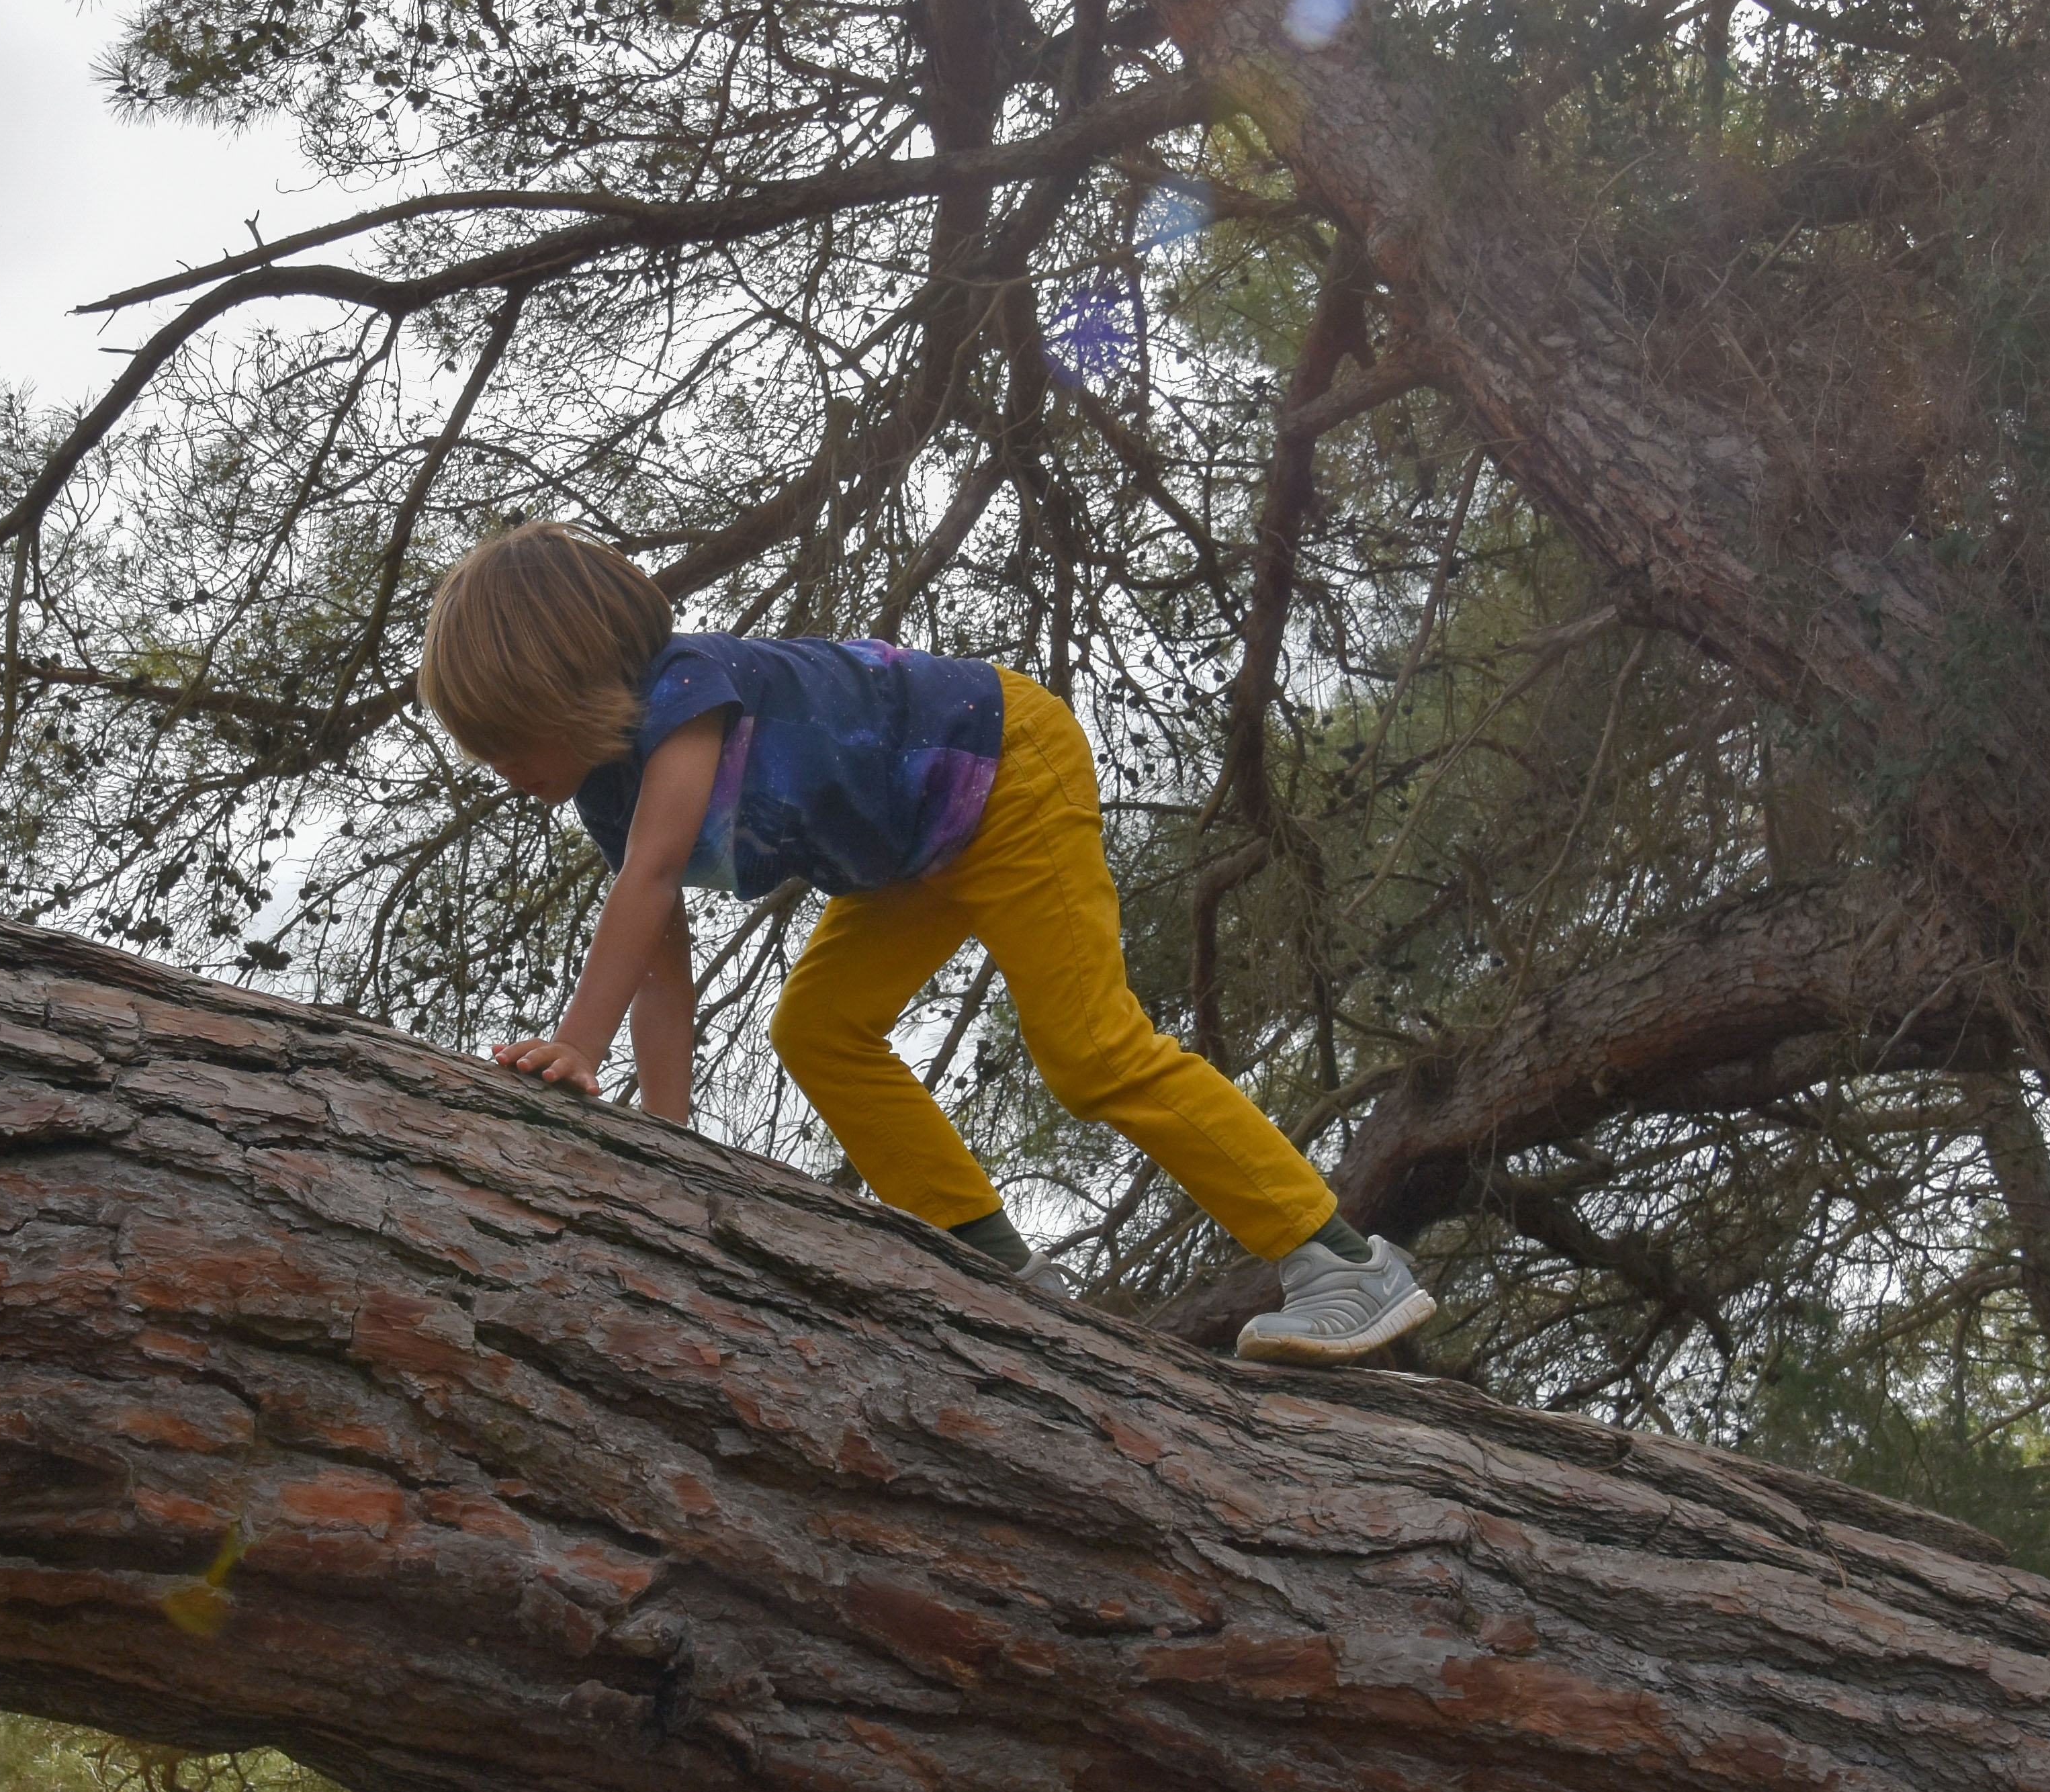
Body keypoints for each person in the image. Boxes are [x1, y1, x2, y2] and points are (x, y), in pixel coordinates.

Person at [414, 521, 1442, 1362]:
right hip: (915, 851)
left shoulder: (686, 690)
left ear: (567, 683)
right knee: (818, 1027)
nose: (498, 767)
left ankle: (1340, 1261)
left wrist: (577, 1047)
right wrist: (670, 1140)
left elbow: (646, 887)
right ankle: (1001, 1267)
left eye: (504, 738)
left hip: (1005, 772)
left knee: (1088, 1048)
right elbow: (658, 960)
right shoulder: (610, 794)